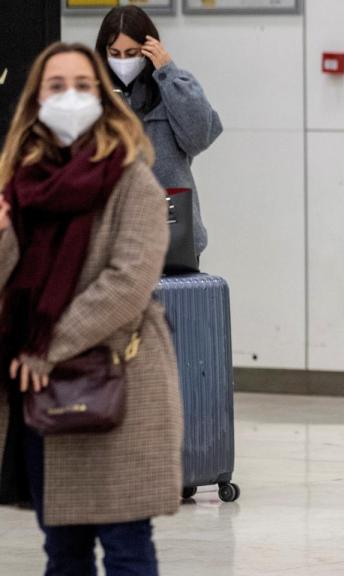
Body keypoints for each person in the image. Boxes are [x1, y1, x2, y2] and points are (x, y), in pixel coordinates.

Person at [0, 42, 182, 574]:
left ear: (103, 98)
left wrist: (44, 348)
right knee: (63, 551)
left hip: (117, 387)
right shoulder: (18, 183)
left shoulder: (132, 180)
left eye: (83, 85)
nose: (70, 97)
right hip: (43, 399)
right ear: (35, 99)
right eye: (56, 87)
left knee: (127, 547)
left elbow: (128, 285)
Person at [96, 5, 222, 257]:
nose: (123, 61)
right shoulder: (94, 95)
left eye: (131, 53)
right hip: (112, 233)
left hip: (171, 230)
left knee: (177, 296)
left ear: (148, 49)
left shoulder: (171, 89)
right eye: (115, 53)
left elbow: (200, 136)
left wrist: (167, 71)